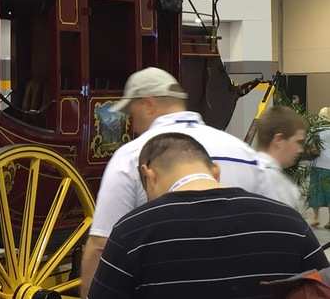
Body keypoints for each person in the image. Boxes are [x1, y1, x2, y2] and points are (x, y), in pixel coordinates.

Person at [80, 67, 274, 298]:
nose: (134, 124)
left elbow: (101, 245)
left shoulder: (132, 155)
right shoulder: (244, 152)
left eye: (133, 113)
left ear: (149, 104)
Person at [88, 133, 329, 299]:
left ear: (149, 175)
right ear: (215, 170)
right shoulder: (288, 222)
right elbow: (321, 288)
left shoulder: (131, 231)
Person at [255, 106, 307, 210]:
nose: (300, 150)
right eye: (298, 142)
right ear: (279, 140)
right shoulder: (282, 188)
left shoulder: (244, 173)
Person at [309, 106, 330, 227]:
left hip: (317, 163)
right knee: (329, 192)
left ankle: (315, 218)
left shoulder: (315, 130)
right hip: (329, 166)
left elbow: (310, 145)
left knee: (315, 191)